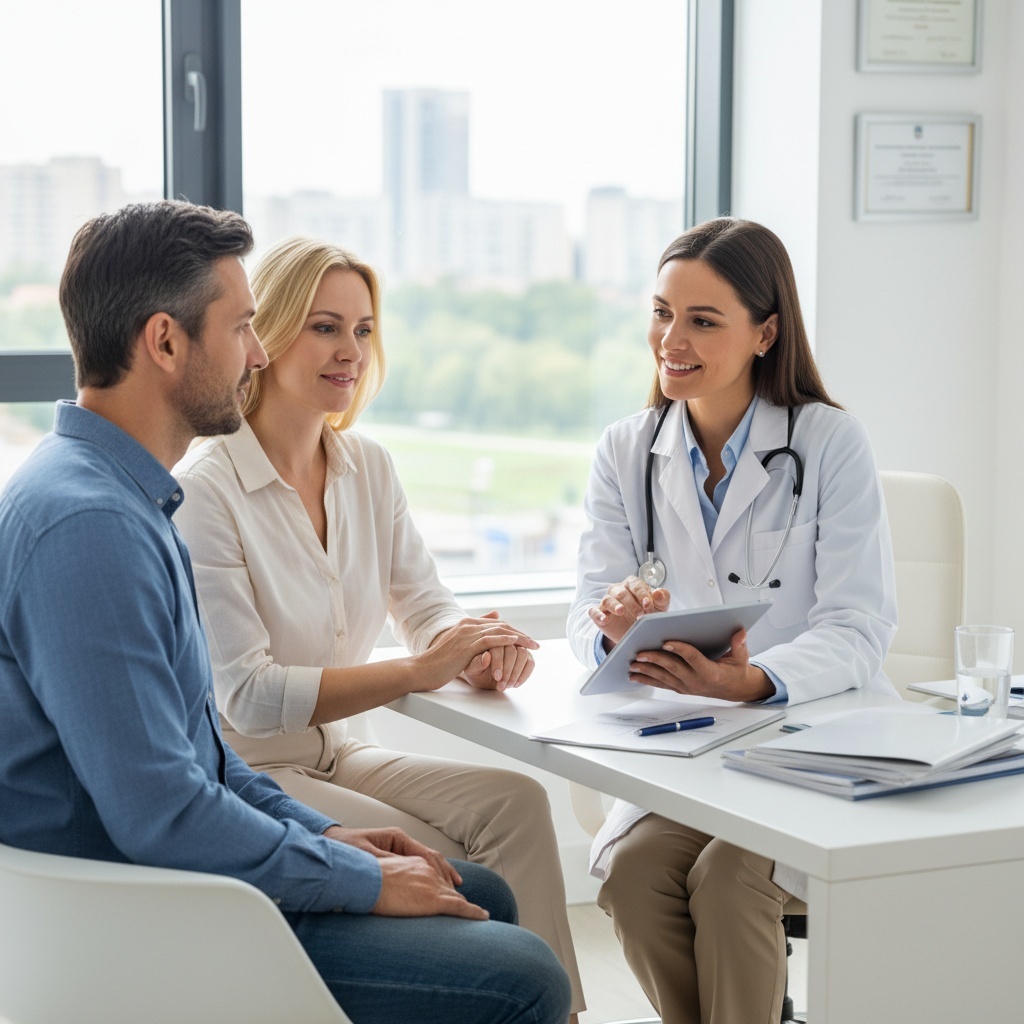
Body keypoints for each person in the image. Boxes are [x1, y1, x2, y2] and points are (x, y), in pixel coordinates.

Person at [0, 200, 572, 1024]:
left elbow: (204, 760)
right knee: (527, 977)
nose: (257, 353)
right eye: (242, 328)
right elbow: (163, 812)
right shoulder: (90, 528)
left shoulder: (123, 499)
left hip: (176, 875)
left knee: (477, 891)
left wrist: (328, 839)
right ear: (165, 341)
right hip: (144, 916)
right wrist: (359, 878)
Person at [171, 235, 585, 1017]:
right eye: (326, 327)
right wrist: (419, 670)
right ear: (268, 333)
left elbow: (424, 605)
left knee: (518, 803)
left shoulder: (369, 467)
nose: (350, 351)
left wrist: (471, 651)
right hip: (258, 769)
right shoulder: (208, 489)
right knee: (451, 863)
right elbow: (249, 697)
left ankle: (557, 1014)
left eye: (362, 331)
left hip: (341, 753)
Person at [566, 217, 898, 1024]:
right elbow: (586, 617)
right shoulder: (626, 449)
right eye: (661, 312)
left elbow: (860, 627)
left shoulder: (827, 443)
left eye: (702, 320)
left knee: (728, 879)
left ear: (765, 332)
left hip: (814, 739)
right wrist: (612, 626)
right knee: (636, 879)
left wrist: (753, 680)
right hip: (697, 747)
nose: (670, 339)